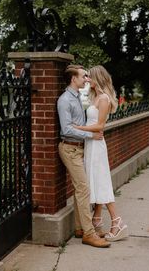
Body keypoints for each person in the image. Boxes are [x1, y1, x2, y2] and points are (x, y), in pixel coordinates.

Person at [57, 64, 110, 248]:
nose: (86, 78)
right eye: (83, 76)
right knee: (84, 188)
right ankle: (89, 233)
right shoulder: (65, 100)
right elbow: (66, 129)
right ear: (73, 79)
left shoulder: (79, 97)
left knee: (79, 189)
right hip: (70, 149)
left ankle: (80, 228)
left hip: (80, 148)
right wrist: (90, 135)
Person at [73, 65, 128, 242]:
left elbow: (100, 126)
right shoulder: (95, 96)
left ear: (98, 78)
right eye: (86, 76)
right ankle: (96, 220)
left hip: (97, 145)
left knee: (101, 181)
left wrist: (76, 128)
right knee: (95, 181)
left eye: (90, 76)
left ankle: (117, 222)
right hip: (91, 143)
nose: (87, 79)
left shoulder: (103, 98)